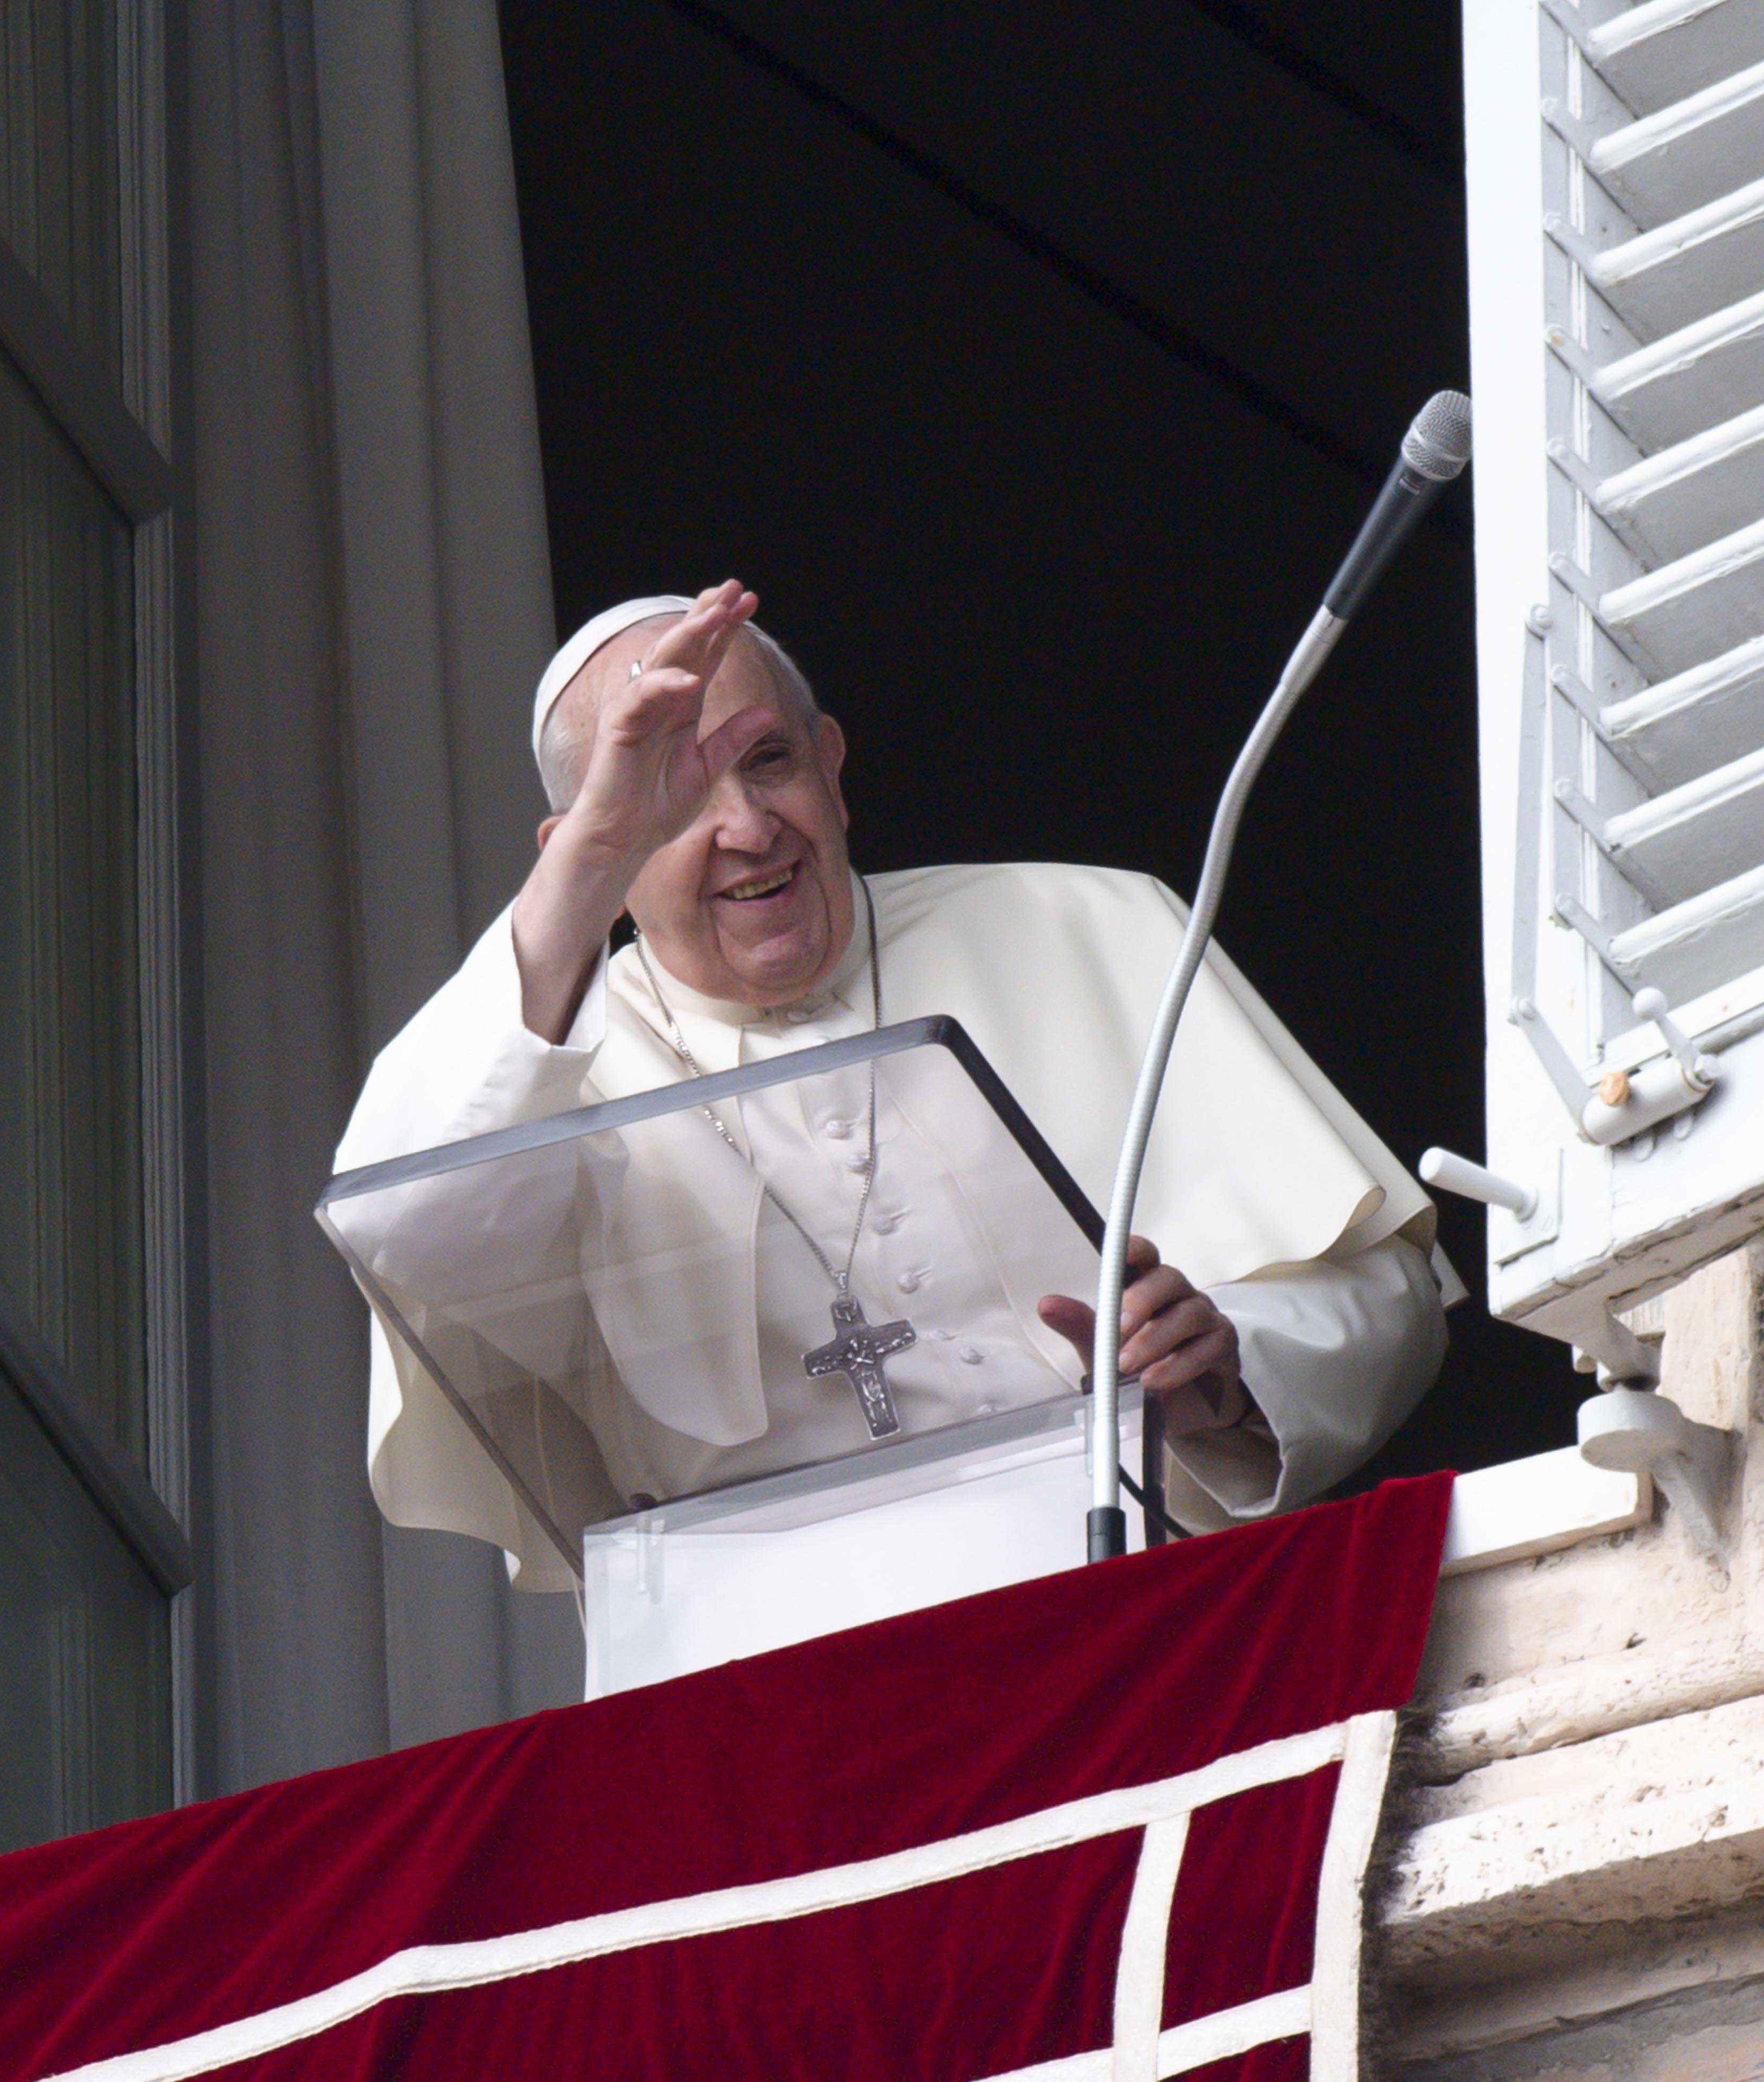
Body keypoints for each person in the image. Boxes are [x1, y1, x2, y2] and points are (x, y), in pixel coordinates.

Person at [335, 581, 1453, 1588]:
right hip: (769, 1682)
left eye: (767, 760)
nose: (745, 825)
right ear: (590, 851)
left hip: (1136, 1599)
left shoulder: (1088, 924)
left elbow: (1380, 1288)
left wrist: (1235, 1370)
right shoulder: (539, 1070)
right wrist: (580, 867)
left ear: (831, 760)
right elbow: (402, 1222)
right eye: (666, 802)